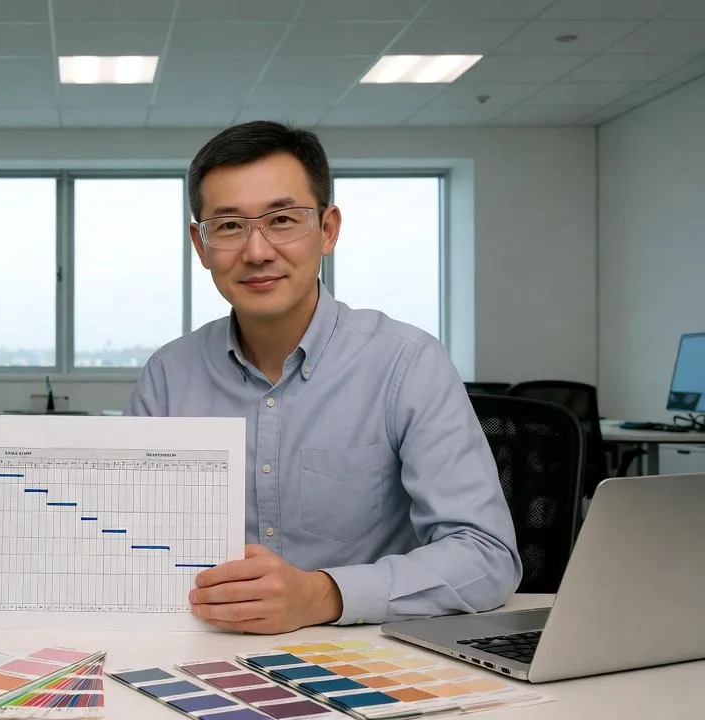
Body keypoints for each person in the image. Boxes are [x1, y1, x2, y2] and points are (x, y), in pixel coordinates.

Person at [125, 121, 520, 634]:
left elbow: (486, 555)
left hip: (365, 654)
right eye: (228, 226)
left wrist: (321, 595)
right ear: (200, 246)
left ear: (328, 229)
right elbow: (121, 545)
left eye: (282, 220)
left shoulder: (407, 363)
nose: (257, 251)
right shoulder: (168, 377)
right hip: (201, 647)